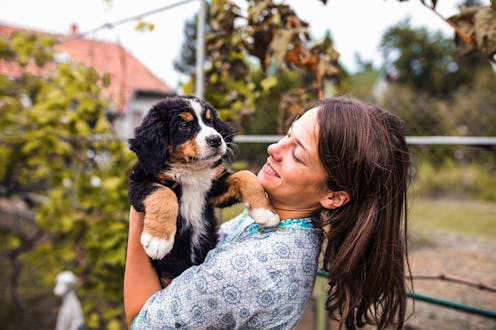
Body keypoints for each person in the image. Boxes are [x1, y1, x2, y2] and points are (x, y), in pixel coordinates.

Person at [124, 96, 411, 329]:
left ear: (334, 196)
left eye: (298, 154)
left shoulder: (250, 271)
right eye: (287, 135)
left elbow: (142, 322)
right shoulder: (285, 225)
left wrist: (140, 209)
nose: (273, 148)